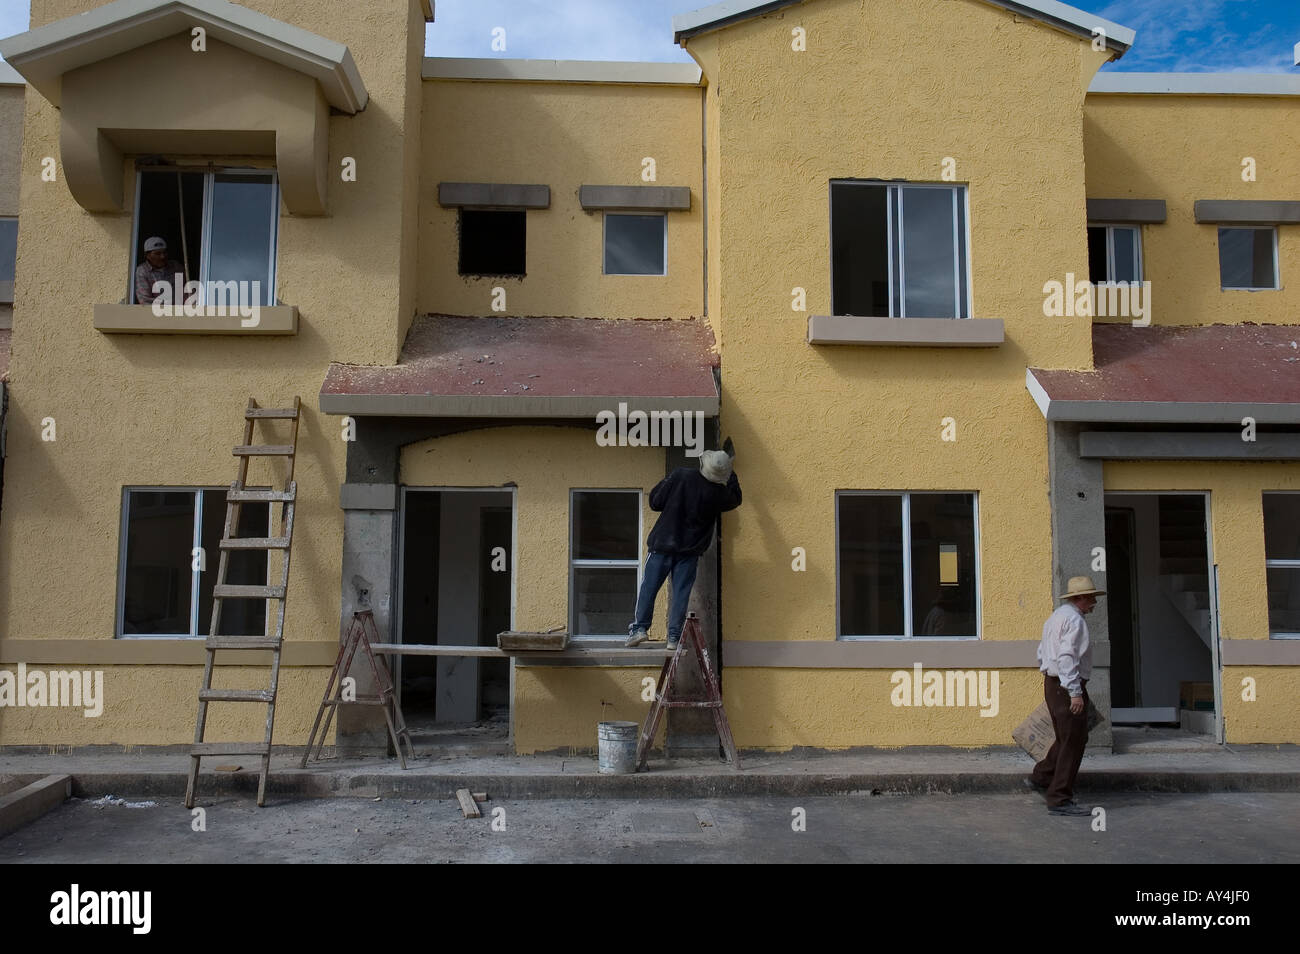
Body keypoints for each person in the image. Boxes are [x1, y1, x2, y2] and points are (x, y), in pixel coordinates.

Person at [625, 440, 741, 650]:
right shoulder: (718, 494)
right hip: (689, 552)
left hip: (662, 545)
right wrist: (731, 472)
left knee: (649, 587)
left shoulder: (681, 475)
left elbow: (655, 502)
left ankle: (639, 630)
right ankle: (673, 637)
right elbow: (736, 499)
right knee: (681, 593)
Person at [1027, 575, 1104, 816]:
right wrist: (1075, 692)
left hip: (1053, 683)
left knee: (1066, 737)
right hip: (1066, 684)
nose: (1094, 602)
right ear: (1079, 598)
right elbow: (1067, 658)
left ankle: (1042, 777)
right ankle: (1059, 798)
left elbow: (1043, 653)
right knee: (1074, 741)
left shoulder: (1056, 617)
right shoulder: (1075, 621)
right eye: (1091, 598)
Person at [134, 236, 183, 305]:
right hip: (154, 313)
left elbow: (185, 292)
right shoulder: (142, 270)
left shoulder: (176, 267)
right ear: (147, 255)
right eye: (157, 254)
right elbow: (145, 301)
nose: (162, 256)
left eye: (164, 252)